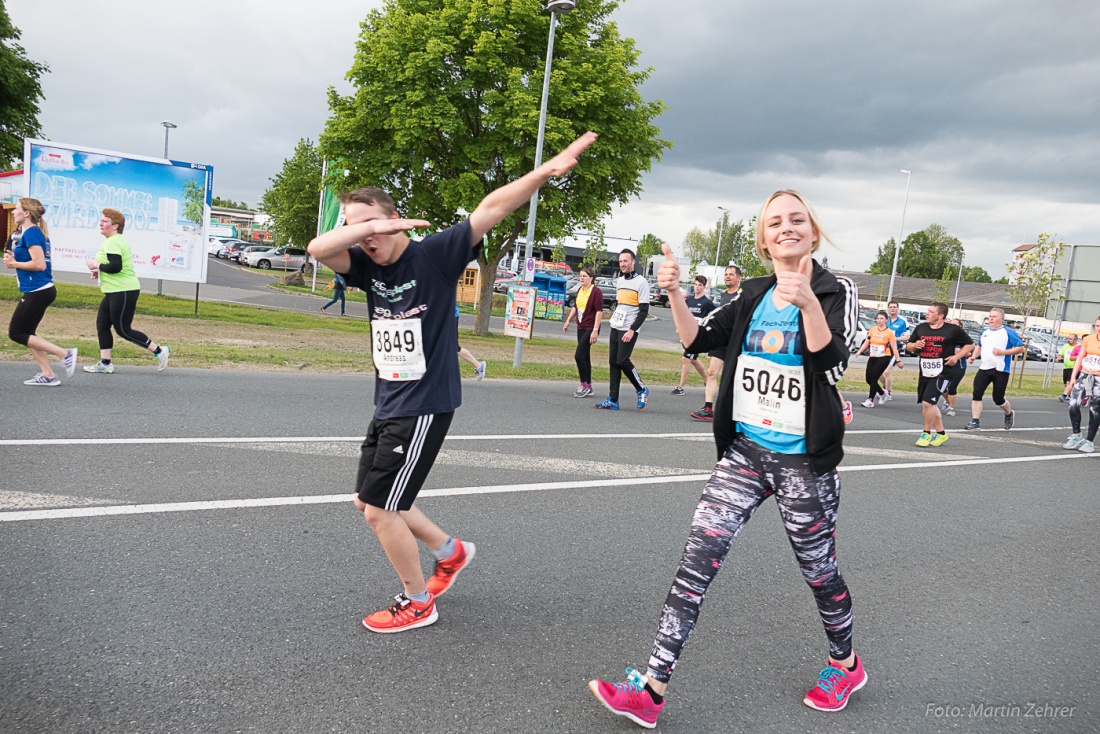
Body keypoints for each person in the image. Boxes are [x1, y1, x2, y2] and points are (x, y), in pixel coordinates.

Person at [589, 190, 863, 728]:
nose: (787, 227)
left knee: (819, 571)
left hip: (804, 463)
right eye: (775, 222)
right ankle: (651, 688)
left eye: (797, 220)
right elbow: (697, 340)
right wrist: (672, 295)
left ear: (812, 232)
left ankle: (846, 664)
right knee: (697, 561)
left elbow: (834, 365)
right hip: (745, 453)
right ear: (763, 239)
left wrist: (807, 302)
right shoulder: (754, 293)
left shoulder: (835, 290)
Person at [307, 131, 598, 633]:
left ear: (392, 219)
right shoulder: (363, 266)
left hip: (423, 404)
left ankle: (419, 601)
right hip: (388, 401)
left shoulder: (435, 256)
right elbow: (317, 248)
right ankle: (450, 551)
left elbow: (491, 209)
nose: (362, 239)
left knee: (380, 512)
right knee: (369, 502)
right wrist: (367, 228)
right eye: (355, 231)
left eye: (368, 228)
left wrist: (545, 172)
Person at [82, 209, 171, 374]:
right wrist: (99, 270)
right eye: (101, 220)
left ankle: (159, 351)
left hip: (123, 290)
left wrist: (96, 266)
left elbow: (116, 267)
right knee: (102, 325)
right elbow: (113, 265)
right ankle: (105, 363)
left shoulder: (113, 242)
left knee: (123, 330)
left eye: (105, 221)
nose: (100, 224)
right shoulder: (114, 240)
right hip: (114, 290)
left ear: (115, 225)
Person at [3, 198, 78, 385]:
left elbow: (39, 264)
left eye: (17, 209)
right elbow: (32, 261)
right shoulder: (31, 233)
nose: (13, 212)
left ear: (26, 213)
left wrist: (14, 263)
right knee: (29, 334)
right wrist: (14, 260)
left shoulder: (32, 234)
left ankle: (65, 354)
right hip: (39, 289)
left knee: (16, 333)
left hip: (38, 290)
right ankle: (49, 375)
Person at [905, 303, 973, 446]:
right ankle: (941, 433)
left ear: (940, 316)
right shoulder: (921, 328)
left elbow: (970, 345)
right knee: (929, 405)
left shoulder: (952, 330)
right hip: (925, 371)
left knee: (927, 402)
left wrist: (957, 357)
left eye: (931, 311)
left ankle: (926, 433)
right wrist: (915, 345)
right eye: (928, 311)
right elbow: (909, 346)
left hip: (943, 372)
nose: (927, 313)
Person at [594, 249, 650, 410]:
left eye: (625, 261)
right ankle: (613, 399)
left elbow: (644, 311)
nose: (623, 264)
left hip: (629, 329)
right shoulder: (619, 281)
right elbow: (620, 305)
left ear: (633, 262)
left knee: (622, 360)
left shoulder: (641, 282)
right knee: (613, 362)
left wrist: (632, 329)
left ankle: (641, 389)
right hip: (616, 326)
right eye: (620, 261)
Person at [691, 265, 742, 421]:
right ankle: (708, 408)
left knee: (733, 377)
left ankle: (736, 410)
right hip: (722, 339)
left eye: (731, 274)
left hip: (737, 341)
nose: (727, 277)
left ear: (738, 278)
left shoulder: (744, 295)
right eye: (726, 274)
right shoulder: (722, 296)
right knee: (712, 372)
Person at [964, 308, 1024, 430]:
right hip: (984, 368)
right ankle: (975, 421)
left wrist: (1003, 352)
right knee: (977, 393)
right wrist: (973, 357)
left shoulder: (1008, 332)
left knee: (998, 398)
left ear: (1002, 319)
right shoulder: (984, 332)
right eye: (990, 316)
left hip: (1001, 369)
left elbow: (1021, 348)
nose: (991, 319)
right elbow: (979, 346)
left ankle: (1008, 413)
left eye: (994, 317)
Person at [671, 275, 715, 396]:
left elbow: (713, 317)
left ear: (704, 287)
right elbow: (683, 315)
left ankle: (681, 387)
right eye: (695, 285)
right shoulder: (689, 300)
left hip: (698, 336)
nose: (697, 287)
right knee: (693, 360)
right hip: (687, 334)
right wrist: (680, 327)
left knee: (686, 359)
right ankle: (707, 380)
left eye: (700, 285)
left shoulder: (707, 303)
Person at [563, 266, 603, 397]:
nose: (582, 278)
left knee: (578, 355)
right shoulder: (580, 290)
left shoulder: (596, 291)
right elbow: (576, 307)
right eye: (580, 276)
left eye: (585, 276)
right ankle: (589, 386)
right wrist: (568, 320)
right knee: (585, 356)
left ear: (591, 278)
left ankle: (583, 384)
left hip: (591, 327)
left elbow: (599, 312)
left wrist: (595, 330)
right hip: (581, 326)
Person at [1063, 315, 1100, 453]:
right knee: (1073, 404)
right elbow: (1080, 357)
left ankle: (1089, 441)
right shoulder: (1089, 339)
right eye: (1097, 326)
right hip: (1085, 375)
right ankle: (1077, 434)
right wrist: (1073, 377)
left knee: (1094, 410)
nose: (1099, 329)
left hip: (1098, 378)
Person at [853, 310, 899, 408]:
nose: (879, 320)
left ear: (886, 320)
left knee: (873, 378)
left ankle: (870, 400)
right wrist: (860, 351)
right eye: (878, 318)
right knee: (868, 379)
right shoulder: (873, 329)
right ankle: (882, 393)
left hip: (884, 357)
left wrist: (898, 360)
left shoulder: (889, 333)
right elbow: (867, 341)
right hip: (873, 356)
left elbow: (894, 348)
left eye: (882, 318)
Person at [941, 319, 970, 417]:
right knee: (941, 387)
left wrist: (961, 352)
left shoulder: (963, 338)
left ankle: (952, 408)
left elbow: (970, 353)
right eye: (951, 324)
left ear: (960, 326)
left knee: (952, 387)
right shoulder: (946, 336)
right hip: (946, 365)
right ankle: (948, 401)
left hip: (959, 366)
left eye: (955, 324)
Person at [881, 300, 908, 400]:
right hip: (883, 348)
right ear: (888, 309)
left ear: (897, 308)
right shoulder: (884, 320)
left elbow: (907, 336)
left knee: (887, 372)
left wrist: (895, 338)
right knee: (879, 373)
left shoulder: (902, 321)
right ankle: (886, 387)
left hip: (895, 348)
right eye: (890, 307)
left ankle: (887, 393)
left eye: (894, 307)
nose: (892, 308)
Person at [455, 305, 486, 381]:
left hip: (449, 316)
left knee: (453, 347)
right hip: (442, 316)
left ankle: (479, 365)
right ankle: (478, 365)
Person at [1059, 334, 1080, 402]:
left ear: (1075, 340)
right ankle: (1071, 396)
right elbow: (1061, 354)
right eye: (1068, 338)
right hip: (1066, 367)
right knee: (1066, 384)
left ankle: (1064, 396)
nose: (1069, 340)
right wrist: (1058, 357)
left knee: (1069, 382)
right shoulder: (1066, 346)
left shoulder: (1078, 347)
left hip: (1074, 367)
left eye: (1070, 339)